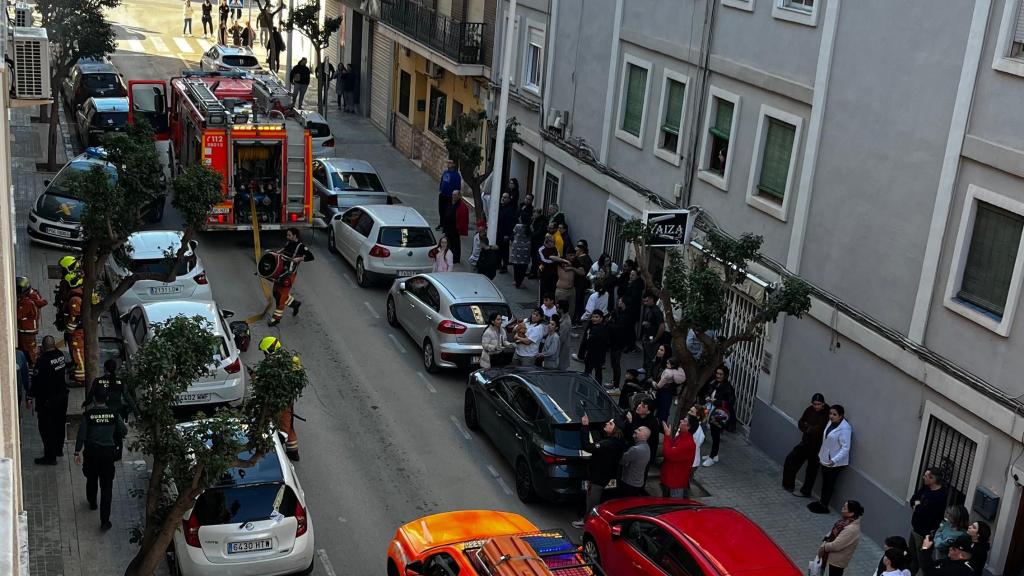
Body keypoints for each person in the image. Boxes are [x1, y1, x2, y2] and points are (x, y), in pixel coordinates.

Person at [74, 387, 126, 530]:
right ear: (107, 399)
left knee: (91, 478)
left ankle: (92, 502)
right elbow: (123, 431)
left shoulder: (88, 415)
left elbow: (81, 435)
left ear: (94, 399)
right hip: (107, 455)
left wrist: (76, 452)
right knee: (107, 487)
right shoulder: (114, 414)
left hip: (91, 453)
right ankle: (104, 521)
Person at [571, 413, 626, 528]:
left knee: (592, 504)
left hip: (597, 478)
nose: (606, 424)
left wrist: (585, 426)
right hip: (606, 476)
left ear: (615, 429)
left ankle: (588, 526)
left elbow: (587, 446)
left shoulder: (607, 444)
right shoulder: (620, 442)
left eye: (610, 423)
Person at [257, 336, 302, 460]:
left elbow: (266, 382)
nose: (264, 355)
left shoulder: (273, 366)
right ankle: (293, 452)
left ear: (270, 351)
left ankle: (272, 450)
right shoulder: (291, 360)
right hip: (287, 399)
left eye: (265, 352)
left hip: (277, 400)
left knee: (280, 424)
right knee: (289, 425)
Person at [28, 336, 67, 465]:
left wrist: (29, 396)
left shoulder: (42, 361)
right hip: (62, 397)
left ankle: (50, 457)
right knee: (60, 424)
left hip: (48, 401)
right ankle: (58, 450)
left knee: (46, 428)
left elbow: (36, 381)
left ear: (43, 347)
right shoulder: (60, 355)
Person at [808, 405, 853, 514]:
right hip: (826, 458)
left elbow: (845, 448)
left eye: (834, 414)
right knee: (825, 482)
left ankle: (824, 505)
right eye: (830, 414)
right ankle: (821, 502)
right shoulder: (831, 423)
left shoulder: (845, 428)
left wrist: (834, 460)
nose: (831, 416)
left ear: (841, 416)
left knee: (829, 483)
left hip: (835, 463)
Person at [783, 393, 830, 496]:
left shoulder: (827, 413)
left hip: (817, 447)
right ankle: (788, 485)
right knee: (791, 459)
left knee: (811, 470)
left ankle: (806, 491)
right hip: (806, 443)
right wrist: (808, 428)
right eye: (814, 404)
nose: (816, 406)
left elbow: (820, 429)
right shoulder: (809, 410)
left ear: (823, 404)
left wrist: (808, 427)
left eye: (819, 404)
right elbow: (801, 422)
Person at [269, 227, 314, 327]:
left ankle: (276, 319)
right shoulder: (289, 242)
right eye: (287, 235)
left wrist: (300, 258)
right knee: (276, 293)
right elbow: (284, 250)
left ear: (295, 236)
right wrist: (278, 252)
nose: (287, 237)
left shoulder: (301, 247)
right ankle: (295, 304)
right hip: (281, 271)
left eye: (289, 235)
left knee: (281, 296)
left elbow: (311, 257)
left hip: (289, 275)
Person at [908, 468, 951, 573]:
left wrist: (917, 506)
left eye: (926, 476)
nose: (923, 477)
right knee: (912, 558)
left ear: (933, 479)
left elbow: (922, 512)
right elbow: (913, 500)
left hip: (924, 534)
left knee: (922, 560)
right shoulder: (926, 488)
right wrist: (917, 505)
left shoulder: (939, 496)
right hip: (915, 529)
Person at [699, 365, 736, 467]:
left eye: (721, 374)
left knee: (716, 435)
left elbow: (730, 402)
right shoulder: (713, 383)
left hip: (718, 414)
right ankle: (714, 455)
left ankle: (712, 456)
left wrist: (717, 401)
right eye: (717, 373)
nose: (718, 376)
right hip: (710, 410)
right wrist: (707, 397)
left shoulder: (728, 387)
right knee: (712, 434)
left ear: (725, 375)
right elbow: (707, 391)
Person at [817, 500, 864, 576]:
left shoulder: (851, 529)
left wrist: (824, 546)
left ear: (851, 513)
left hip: (835, 563)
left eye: (845, 508)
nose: (842, 509)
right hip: (831, 559)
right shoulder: (845, 522)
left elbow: (836, 546)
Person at [660, 420, 696, 498]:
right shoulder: (681, 436)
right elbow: (670, 448)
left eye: (684, 421)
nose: (681, 420)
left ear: (688, 427)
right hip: (670, 478)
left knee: (673, 504)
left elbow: (668, 454)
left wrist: (667, 436)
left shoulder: (687, 443)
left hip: (675, 483)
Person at [16, 276, 47, 366]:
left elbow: (18, 315)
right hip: (29, 329)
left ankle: (33, 367)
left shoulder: (26, 302)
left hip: (26, 330)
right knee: (29, 349)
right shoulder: (34, 295)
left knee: (29, 350)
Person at [63, 272, 86, 384]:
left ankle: (81, 378)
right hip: (78, 330)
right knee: (76, 352)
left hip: (77, 332)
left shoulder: (74, 299)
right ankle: (76, 368)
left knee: (78, 353)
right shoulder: (78, 293)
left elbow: (74, 317)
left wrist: (69, 330)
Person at [578, 309, 611, 385]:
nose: (594, 319)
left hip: (598, 354)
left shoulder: (602, 329)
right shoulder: (591, 326)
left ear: (601, 318)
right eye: (593, 317)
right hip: (591, 354)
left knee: (596, 372)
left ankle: (595, 387)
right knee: (589, 371)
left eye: (596, 317)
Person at [619, 425, 651, 497]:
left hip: (629, 484)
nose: (635, 430)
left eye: (639, 430)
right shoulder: (647, 447)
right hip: (638, 483)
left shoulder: (635, 449)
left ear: (644, 436)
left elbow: (622, 461)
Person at [640, 292, 668, 372]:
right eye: (644, 301)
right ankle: (645, 368)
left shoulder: (657, 311)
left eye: (646, 301)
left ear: (652, 299)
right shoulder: (648, 308)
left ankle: (649, 374)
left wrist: (655, 339)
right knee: (646, 354)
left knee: (651, 357)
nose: (645, 303)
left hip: (653, 338)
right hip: (647, 336)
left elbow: (662, 327)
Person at [654, 357, 685, 424]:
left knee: (661, 408)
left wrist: (653, 384)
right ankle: (663, 423)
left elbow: (659, 386)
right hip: (670, 393)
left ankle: (659, 423)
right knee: (665, 409)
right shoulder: (679, 371)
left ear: (672, 365)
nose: (666, 364)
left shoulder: (667, 373)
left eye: (668, 363)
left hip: (663, 392)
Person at [538, 234, 568, 304]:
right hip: (544, 276)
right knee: (543, 294)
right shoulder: (541, 249)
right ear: (547, 242)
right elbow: (544, 261)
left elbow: (558, 257)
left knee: (552, 294)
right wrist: (554, 259)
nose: (554, 244)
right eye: (552, 242)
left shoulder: (555, 248)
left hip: (554, 276)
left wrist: (556, 259)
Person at [441, 191, 469, 264]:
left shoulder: (461, 206)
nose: (453, 196)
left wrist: (459, 227)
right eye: (453, 195)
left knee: (455, 244)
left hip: (454, 228)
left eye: (455, 195)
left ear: (459, 196)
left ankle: (455, 258)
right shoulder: (451, 203)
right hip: (448, 227)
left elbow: (462, 218)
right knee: (448, 243)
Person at [686, 407, 705, 496]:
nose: (689, 412)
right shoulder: (688, 425)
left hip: (690, 462)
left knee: (684, 482)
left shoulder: (698, 432)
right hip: (689, 461)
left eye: (692, 411)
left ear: (697, 416)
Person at [509, 214, 532, 287]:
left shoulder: (517, 226)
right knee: (523, 266)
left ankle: (516, 281)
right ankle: (520, 282)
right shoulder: (529, 227)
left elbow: (513, 234)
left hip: (517, 247)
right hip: (526, 248)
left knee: (516, 265)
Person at [438, 159, 462, 226]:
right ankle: (441, 223)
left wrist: (455, 197)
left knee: (447, 211)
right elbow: (442, 181)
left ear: (454, 165)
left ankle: (446, 225)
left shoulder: (456, 175)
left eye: (450, 163)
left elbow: (457, 187)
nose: (448, 164)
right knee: (441, 210)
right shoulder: (445, 172)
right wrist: (440, 189)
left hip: (450, 197)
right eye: (448, 162)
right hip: (443, 194)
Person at [496, 193, 516, 272]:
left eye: (505, 197)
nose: (503, 199)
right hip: (499, 231)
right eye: (502, 197)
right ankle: (498, 264)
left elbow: (510, 223)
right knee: (498, 249)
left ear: (508, 199)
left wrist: (508, 234)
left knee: (504, 250)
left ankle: (504, 266)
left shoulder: (510, 210)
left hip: (505, 233)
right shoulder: (500, 207)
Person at [557, 301, 573, 370]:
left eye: (558, 307)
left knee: (561, 364)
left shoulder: (565, 322)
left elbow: (561, 338)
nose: (556, 308)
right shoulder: (563, 317)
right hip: (563, 345)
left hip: (563, 346)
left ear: (561, 309)